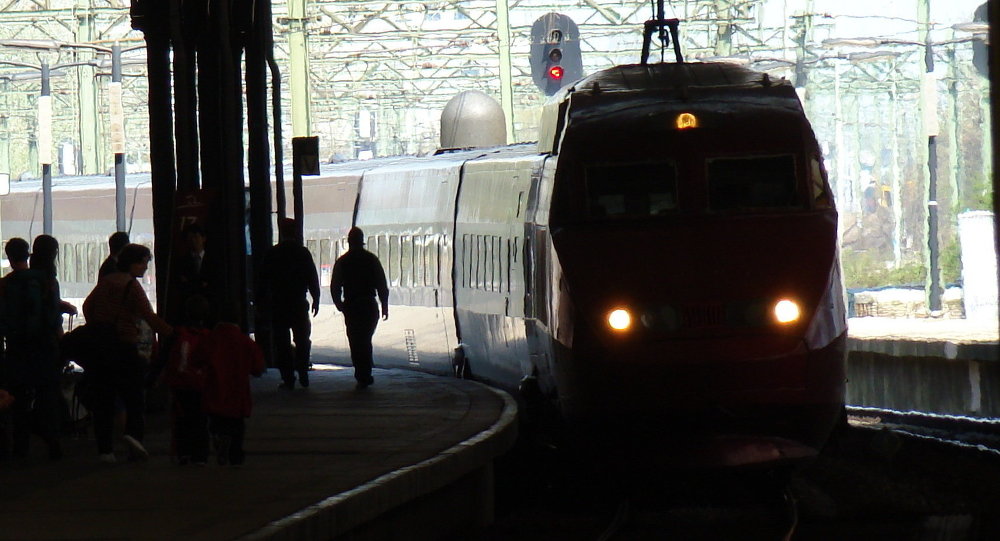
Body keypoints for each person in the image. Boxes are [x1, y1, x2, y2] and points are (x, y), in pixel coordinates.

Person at [83, 243, 173, 462]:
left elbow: (87, 306)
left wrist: (99, 324)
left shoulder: (106, 282)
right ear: (134, 262)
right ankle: (133, 438)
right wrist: (172, 333)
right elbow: (148, 316)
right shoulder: (130, 285)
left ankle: (105, 450)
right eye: (144, 263)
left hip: (101, 347)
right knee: (134, 396)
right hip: (124, 345)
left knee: (104, 399)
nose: (145, 268)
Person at [0, 236, 66, 460]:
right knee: (48, 395)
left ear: (9, 257)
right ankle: (53, 442)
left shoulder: (5, 284)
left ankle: (20, 448)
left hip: (17, 347)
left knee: (18, 398)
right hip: (45, 345)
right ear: (28, 254)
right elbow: (54, 317)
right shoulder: (47, 281)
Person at [150, 294, 212, 465]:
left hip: (180, 382)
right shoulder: (208, 335)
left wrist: (152, 378)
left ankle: (183, 452)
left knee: (181, 418)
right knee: (200, 419)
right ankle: (200, 454)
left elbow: (163, 357)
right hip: (201, 383)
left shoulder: (177, 333)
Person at [260, 218, 320, 390]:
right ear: (295, 232)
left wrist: (260, 302)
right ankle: (302, 371)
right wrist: (315, 298)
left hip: (278, 304)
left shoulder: (272, 253)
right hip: (298, 303)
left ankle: (288, 378)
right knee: (302, 339)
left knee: (282, 342)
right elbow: (312, 278)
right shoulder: (303, 253)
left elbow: (263, 280)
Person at [201, 309, 265, 466]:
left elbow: (197, 360)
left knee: (215, 422)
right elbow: (258, 368)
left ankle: (218, 438)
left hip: (214, 390)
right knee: (237, 426)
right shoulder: (245, 342)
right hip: (238, 392)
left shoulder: (209, 339)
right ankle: (235, 456)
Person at [330, 227, 389, 390]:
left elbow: (335, 286)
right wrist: (384, 305)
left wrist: (340, 304)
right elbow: (381, 284)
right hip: (369, 305)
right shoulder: (372, 260)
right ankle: (365, 372)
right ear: (362, 241)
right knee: (365, 339)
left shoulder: (342, 262)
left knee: (356, 341)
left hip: (353, 306)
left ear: (349, 242)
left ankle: (361, 373)